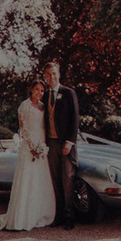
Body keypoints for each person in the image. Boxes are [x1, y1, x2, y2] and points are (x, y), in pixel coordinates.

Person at [0, 79, 56, 231]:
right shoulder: (24, 106)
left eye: (42, 91)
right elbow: (23, 129)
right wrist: (32, 146)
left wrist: (41, 146)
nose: (40, 93)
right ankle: (24, 216)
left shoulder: (42, 106)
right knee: (28, 178)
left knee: (41, 178)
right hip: (30, 147)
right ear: (31, 90)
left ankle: (41, 214)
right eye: (37, 89)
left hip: (42, 145)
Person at [42, 61, 80, 230]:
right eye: (48, 74)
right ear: (45, 76)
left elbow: (75, 119)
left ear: (59, 74)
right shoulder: (44, 96)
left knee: (68, 181)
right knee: (55, 181)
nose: (52, 77)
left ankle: (70, 217)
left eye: (54, 73)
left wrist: (69, 142)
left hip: (65, 144)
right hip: (50, 144)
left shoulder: (68, 93)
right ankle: (58, 216)